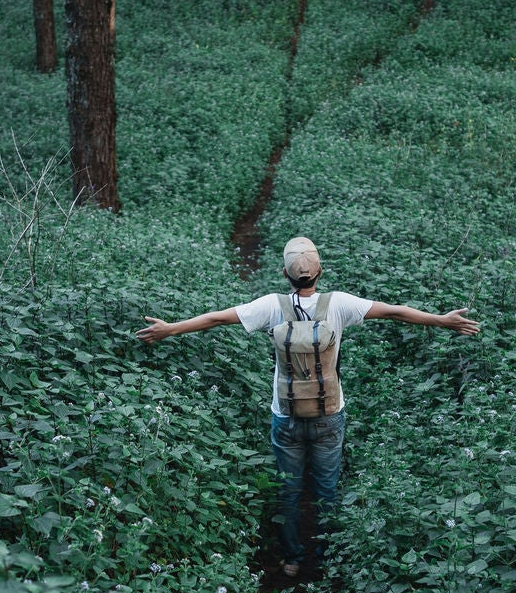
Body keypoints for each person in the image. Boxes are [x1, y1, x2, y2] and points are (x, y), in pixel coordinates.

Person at [135, 237, 480, 575]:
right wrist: (443, 320)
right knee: (327, 489)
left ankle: (292, 559)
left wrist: (170, 329)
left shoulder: (271, 306)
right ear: (320, 272)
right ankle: (328, 557)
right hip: (329, 413)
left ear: (284, 273)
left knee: (289, 488)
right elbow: (396, 313)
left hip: (285, 414)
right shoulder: (340, 304)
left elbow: (215, 319)